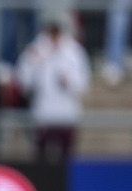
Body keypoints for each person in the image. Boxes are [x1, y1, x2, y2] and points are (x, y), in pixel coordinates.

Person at [17, 20, 90, 163]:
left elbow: (84, 83)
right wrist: (35, 63)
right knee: (41, 155)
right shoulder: (35, 49)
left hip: (66, 113)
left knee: (67, 155)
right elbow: (23, 81)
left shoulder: (75, 51)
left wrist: (69, 82)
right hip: (43, 112)